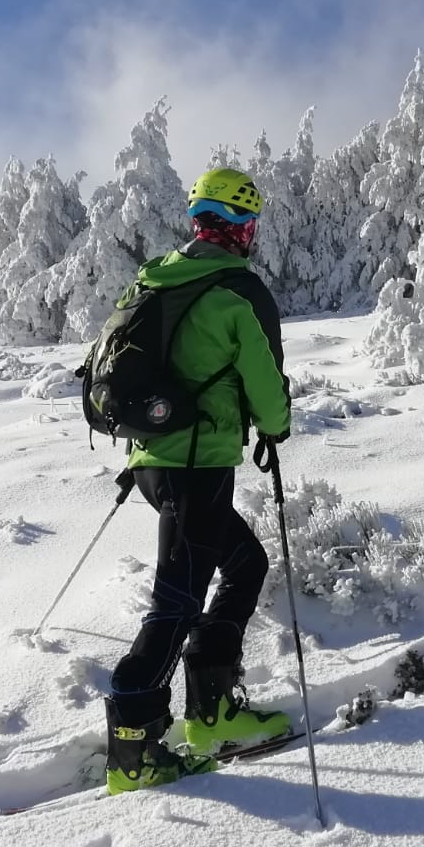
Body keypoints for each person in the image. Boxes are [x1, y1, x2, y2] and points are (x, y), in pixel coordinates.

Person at [104, 167, 294, 795]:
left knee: (245, 566)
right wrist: (276, 425)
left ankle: (211, 712)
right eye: (249, 224)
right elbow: (266, 385)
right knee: (178, 601)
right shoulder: (234, 294)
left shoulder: (157, 279)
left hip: (154, 464)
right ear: (242, 227)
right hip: (198, 466)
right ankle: (133, 747)